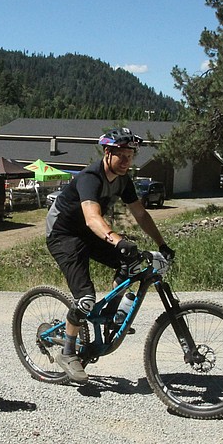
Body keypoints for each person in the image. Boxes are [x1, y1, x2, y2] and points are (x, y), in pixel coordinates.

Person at [44, 127, 175, 383]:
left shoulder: (123, 180)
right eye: (121, 155)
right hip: (64, 235)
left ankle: (110, 317)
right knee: (85, 299)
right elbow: (93, 218)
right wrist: (118, 240)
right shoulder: (90, 177)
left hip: (89, 231)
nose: (126, 161)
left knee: (133, 263)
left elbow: (141, 214)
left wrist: (162, 244)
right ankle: (68, 351)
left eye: (130, 155)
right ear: (107, 153)